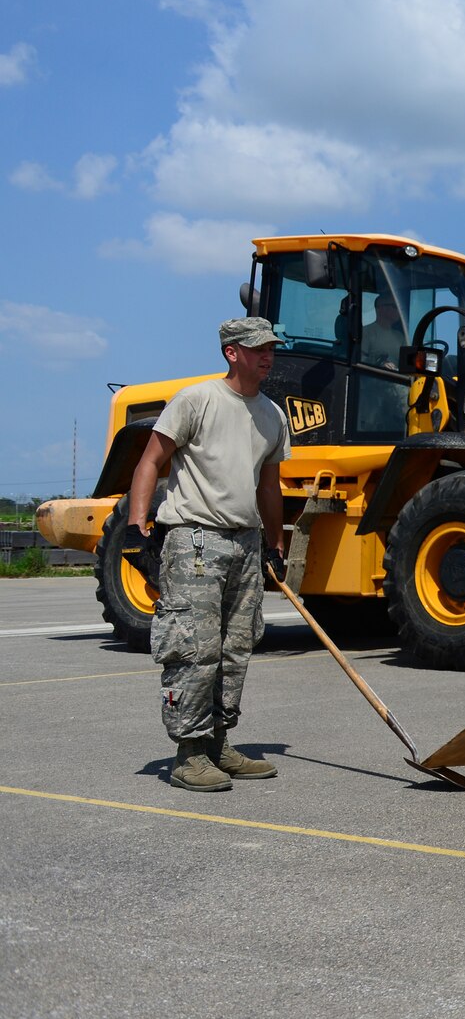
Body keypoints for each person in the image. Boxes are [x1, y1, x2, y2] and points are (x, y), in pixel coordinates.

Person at [126, 317, 291, 793]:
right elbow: (150, 462)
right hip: (196, 538)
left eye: (271, 348)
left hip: (245, 542)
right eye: (257, 348)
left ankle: (218, 742)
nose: (267, 355)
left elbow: (268, 485)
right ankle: (188, 754)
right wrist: (139, 529)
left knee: (237, 648)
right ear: (231, 352)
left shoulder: (272, 415)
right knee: (196, 649)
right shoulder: (197, 400)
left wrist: (275, 545)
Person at [359, 291, 405, 367]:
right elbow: (360, 359)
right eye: (395, 306)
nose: (399, 310)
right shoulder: (366, 331)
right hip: (373, 377)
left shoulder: (400, 336)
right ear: (380, 308)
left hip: (396, 378)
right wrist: (380, 363)